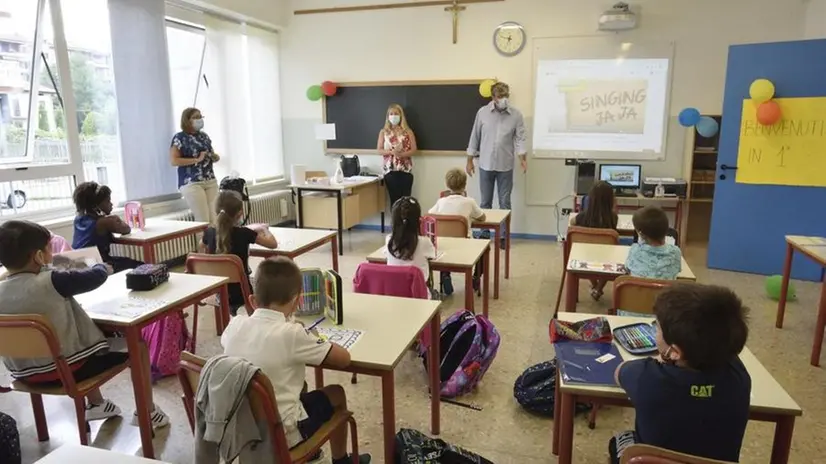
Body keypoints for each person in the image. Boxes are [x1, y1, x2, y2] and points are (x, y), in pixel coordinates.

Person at [0, 220, 169, 428]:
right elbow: (93, 278)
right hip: (68, 371)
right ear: (38, 256)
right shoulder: (53, 280)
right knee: (138, 346)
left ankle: (97, 404)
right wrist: (99, 266)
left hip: (23, 375)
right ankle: (148, 412)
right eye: (49, 250)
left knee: (78, 342)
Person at [221, 257, 370, 464]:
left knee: (297, 382)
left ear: (253, 301)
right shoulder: (292, 334)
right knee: (337, 392)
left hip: (242, 430)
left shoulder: (234, 325)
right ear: (297, 301)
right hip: (281, 434)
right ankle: (341, 460)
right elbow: (343, 359)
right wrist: (309, 335)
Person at [611, 283, 750, 463]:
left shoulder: (648, 378)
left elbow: (619, 372)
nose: (656, 331)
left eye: (657, 327)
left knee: (619, 440)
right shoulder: (739, 377)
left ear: (675, 351)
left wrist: (662, 358)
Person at [466, 82, 526, 246]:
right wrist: (469, 160)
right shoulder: (483, 113)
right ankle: (484, 235)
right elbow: (475, 137)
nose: (503, 99)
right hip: (485, 164)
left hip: (505, 165)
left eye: (505, 96)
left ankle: (503, 237)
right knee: (485, 202)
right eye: (500, 96)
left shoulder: (516, 115)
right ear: (493, 97)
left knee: (504, 203)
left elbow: (520, 138)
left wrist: (522, 158)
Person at [203, 190, 278, 316]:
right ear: (240, 213)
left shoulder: (209, 232)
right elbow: (272, 244)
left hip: (219, 293)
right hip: (242, 294)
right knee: (265, 282)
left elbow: (201, 245)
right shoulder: (244, 233)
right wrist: (264, 229)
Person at [429, 168, 486, 295]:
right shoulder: (469, 202)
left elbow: (429, 215)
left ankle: (445, 275)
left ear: (447, 185)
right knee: (485, 249)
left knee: (448, 246)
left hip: (443, 245)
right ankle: (475, 278)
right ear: (465, 185)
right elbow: (482, 217)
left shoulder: (441, 202)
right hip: (465, 245)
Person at [72, 181, 143, 272]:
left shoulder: (78, 219)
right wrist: (115, 217)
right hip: (99, 265)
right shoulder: (104, 222)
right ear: (96, 204)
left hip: (81, 265)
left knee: (126, 262)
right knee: (141, 266)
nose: (111, 204)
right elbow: (126, 229)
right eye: (108, 201)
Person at [568, 181, 618, 300]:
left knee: (588, 254)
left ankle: (595, 286)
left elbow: (572, 223)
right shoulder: (613, 218)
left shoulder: (582, 217)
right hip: (607, 259)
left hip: (584, 258)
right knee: (609, 259)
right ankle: (598, 288)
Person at [171, 107, 220, 223]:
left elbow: (210, 153)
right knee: (202, 220)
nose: (199, 119)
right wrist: (196, 159)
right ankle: (203, 241)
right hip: (192, 183)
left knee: (216, 218)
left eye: (200, 117)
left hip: (210, 180)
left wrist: (214, 157)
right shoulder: (179, 138)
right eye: (195, 117)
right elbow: (174, 161)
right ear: (187, 120)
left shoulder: (204, 136)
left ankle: (216, 241)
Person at [384, 196, 437, 297]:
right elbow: (433, 256)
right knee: (434, 293)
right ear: (418, 221)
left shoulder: (389, 241)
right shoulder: (424, 242)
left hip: (394, 295)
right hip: (418, 295)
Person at [377, 104, 418, 208]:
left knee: (406, 201)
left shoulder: (408, 132)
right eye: (391, 114)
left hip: (405, 171)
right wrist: (392, 152)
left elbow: (414, 149)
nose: (393, 116)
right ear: (387, 116)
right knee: (394, 201)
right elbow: (379, 150)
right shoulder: (384, 132)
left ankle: (406, 223)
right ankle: (396, 223)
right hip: (390, 171)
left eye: (396, 113)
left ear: (401, 116)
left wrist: (401, 154)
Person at [625, 206, 682, 279]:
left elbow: (627, 268)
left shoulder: (635, 250)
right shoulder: (676, 252)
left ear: (641, 234)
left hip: (638, 290)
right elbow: (677, 270)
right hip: (666, 290)